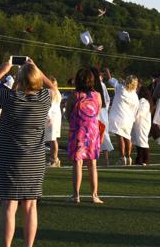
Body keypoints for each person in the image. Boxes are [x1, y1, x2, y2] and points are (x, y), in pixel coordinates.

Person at [0, 58, 55, 247]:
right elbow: (53, 87)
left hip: (11, 158)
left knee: (9, 205)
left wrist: (3, 70)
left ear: (20, 81)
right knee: (31, 206)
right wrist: (37, 69)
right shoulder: (44, 99)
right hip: (35, 159)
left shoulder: (10, 97)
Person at [66, 68, 103, 203]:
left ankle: (76, 195)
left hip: (78, 130)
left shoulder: (74, 95)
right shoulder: (97, 95)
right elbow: (97, 112)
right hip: (92, 132)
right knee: (92, 163)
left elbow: (68, 114)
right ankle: (94, 195)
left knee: (78, 162)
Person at [104, 69, 140, 166]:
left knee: (120, 137)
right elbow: (136, 109)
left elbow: (111, 80)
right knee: (128, 138)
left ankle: (122, 157)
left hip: (118, 117)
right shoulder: (135, 96)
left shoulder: (120, 88)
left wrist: (107, 71)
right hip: (129, 119)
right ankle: (128, 157)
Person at [132, 85, 153, 166]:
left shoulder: (143, 101)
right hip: (140, 123)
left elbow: (139, 112)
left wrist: (132, 117)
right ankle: (139, 158)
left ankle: (145, 159)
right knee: (139, 141)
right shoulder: (144, 101)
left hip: (142, 123)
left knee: (142, 141)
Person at [46, 76, 62, 168]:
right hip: (55, 117)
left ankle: (54, 159)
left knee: (53, 139)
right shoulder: (57, 92)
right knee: (53, 139)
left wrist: (48, 117)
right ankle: (54, 159)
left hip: (52, 117)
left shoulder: (51, 91)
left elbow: (50, 106)